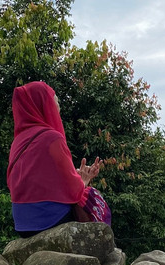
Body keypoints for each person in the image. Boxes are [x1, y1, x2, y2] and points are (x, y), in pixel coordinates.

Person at [7, 81, 103, 237]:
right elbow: (73, 190)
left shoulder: (18, 141)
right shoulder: (52, 138)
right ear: (43, 104)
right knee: (93, 198)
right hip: (49, 220)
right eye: (55, 100)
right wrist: (83, 181)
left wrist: (78, 177)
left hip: (22, 224)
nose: (59, 106)